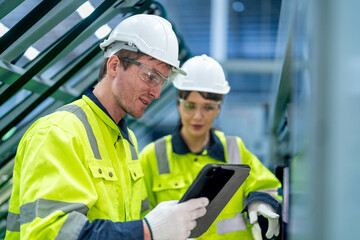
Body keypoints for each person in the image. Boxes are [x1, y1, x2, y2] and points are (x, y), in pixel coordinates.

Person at [5, 14, 209, 240]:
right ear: (114, 65)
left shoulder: (127, 139)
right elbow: (51, 234)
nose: (157, 92)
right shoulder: (60, 132)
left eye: (162, 81)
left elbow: (130, 219)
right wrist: (147, 231)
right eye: (151, 76)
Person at [139, 54, 282, 240]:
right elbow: (139, 217)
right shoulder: (153, 156)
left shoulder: (234, 149)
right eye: (190, 106)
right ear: (178, 104)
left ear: (218, 109)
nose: (198, 116)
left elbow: (267, 188)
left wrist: (260, 203)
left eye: (207, 108)